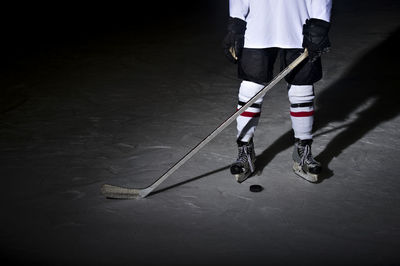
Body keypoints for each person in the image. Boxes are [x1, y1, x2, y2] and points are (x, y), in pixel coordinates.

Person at [223, 0, 332, 183]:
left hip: (300, 24)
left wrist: (319, 22)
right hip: (257, 25)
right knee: (251, 88)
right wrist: (236, 22)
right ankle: (245, 151)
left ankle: (302, 151)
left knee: (302, 87)